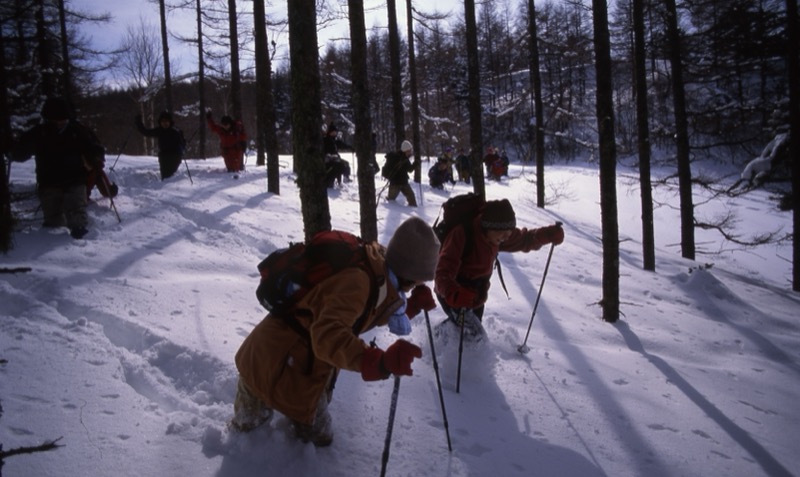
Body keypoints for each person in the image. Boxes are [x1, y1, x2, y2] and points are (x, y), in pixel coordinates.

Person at [232, 217, 440, 446]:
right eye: (423, 278)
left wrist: (409, 307)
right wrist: (376, 361)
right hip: (272, 358)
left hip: (304, 368)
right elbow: (327, 335)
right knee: (244, 435)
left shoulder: (380, 265)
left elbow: (365, 313)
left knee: (318, 439)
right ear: (411, 272)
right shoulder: (359, 281)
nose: (423, 283)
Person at [434, 199, 564, 339]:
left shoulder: (498, 234)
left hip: (477, 295)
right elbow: (442, 271)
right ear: (488, 227)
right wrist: (454, 294)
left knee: (463, 332)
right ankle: (442, 347)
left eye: (509, 232)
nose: (506, 237)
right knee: (475, 338)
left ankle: (438, 338)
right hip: (455, 293)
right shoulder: (462, 234)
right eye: (503, 233)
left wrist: (547, 234)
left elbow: (524, 239)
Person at [11, 97, 106, 239]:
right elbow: (21, 152)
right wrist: (12, 151)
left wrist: (96, 159)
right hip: (49, 182)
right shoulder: (39, 132)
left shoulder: (78, 130)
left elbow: (95, 148)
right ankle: (54, 250)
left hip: (75, 181)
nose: (61, 122)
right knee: (53, 224)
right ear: (49, 118)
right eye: (57, 120)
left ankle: (81, 245)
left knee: (77, 219)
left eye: (64, 119)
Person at [135, 110, 186, 180]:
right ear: (160, 122)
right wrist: (138, 122)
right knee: (165, 177)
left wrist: (182, 150)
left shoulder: (176, 132)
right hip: (164, 157)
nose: (165, 123)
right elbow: (146, 132)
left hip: (175, 157)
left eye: (166, 121)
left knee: (171, 177)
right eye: (163, 121)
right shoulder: (159, 130)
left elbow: (183, 144)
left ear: (170, 122)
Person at [382, 140, 418, 206]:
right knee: (391, 201)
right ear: (405, 150)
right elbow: (409, 169)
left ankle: (413, 208)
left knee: (412, 198)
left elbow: (409, 169)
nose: (410, 152)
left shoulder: (405, 158)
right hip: (395, 183)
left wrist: (415, 164)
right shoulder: (396, 158)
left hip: (403, 182)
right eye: (409, 151)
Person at [322, 122, 352, 187]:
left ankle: (344, 178)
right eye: (333, 132)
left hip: (336, 159)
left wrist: (351, 148)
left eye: (335, 132)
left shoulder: (335, 140)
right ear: (330, 132)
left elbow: (342, 145)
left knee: (345, 164)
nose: (334, 133)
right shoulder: (325, 139)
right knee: (337, 166)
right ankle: (333, 182)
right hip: (328, 160)